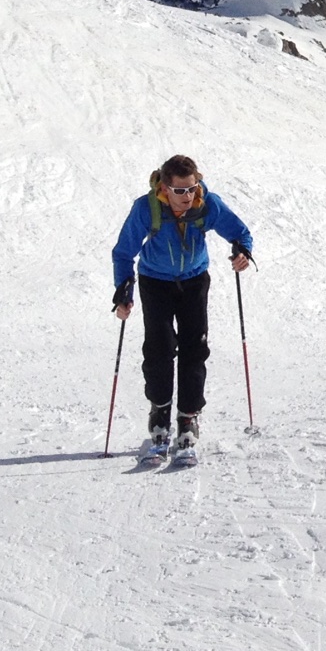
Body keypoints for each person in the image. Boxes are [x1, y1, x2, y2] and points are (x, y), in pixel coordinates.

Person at [111, 154, 255, 455]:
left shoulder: (207, 204)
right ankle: (160, 411)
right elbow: (124, 252)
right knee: (159, 349)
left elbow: (240, 233)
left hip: (194, 281)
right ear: (165, 188)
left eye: (192, 187)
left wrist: (242, 252)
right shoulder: (146, 208)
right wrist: (124, 292)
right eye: (180, 190)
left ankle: (188, 416)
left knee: (195, 348)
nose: (188, 196)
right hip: (155, 282)